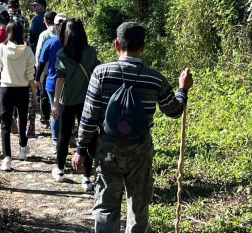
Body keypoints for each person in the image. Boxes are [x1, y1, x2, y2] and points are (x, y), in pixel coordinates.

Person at [72, 22, 193, 233]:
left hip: (108, 149)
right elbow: (174, 111)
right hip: (141, 149)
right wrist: (183, 89)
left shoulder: (101, 73)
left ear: (116, 45)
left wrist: (81, 150)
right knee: (138, 207)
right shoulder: (155, 79)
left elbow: (89, 116)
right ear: (143, 47)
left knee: (106, 206)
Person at [50, 18, 100, 190]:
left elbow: (60, 79)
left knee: (64, 135)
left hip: (67, 101)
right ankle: (87, 179)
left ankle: (60, 170)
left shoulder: (62, 54)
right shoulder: (91, 52)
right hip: (88, 101)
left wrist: (55, 103)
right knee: (87, 137)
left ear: (66, 33)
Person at [0, 20, 36, 172]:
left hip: (6, 89)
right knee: (22, 120)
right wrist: (34, 93)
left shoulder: (1, 48)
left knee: (5, 124)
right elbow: (30, 74)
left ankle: (7, 159)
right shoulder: (27, 50)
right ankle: (23, 148)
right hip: (22, 89)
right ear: (21, 33)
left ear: (7, 32)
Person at [38, 16, 65, 148]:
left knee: (55, 111)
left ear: (55, 27)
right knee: (66, 110)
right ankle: (67, 135)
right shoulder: (73, 43)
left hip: (52, 82)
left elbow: (41, 63)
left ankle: (55, 139)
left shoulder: (50, 42)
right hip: (69, 83)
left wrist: (37, 79)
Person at [34, 11, 57, 128]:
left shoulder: (44, 35)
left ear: (46, 22)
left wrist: (37, 68)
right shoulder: (62, 33)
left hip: (45, 69)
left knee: (44, 94)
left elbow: (39, 53)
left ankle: (45, 119)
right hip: (60, 70)